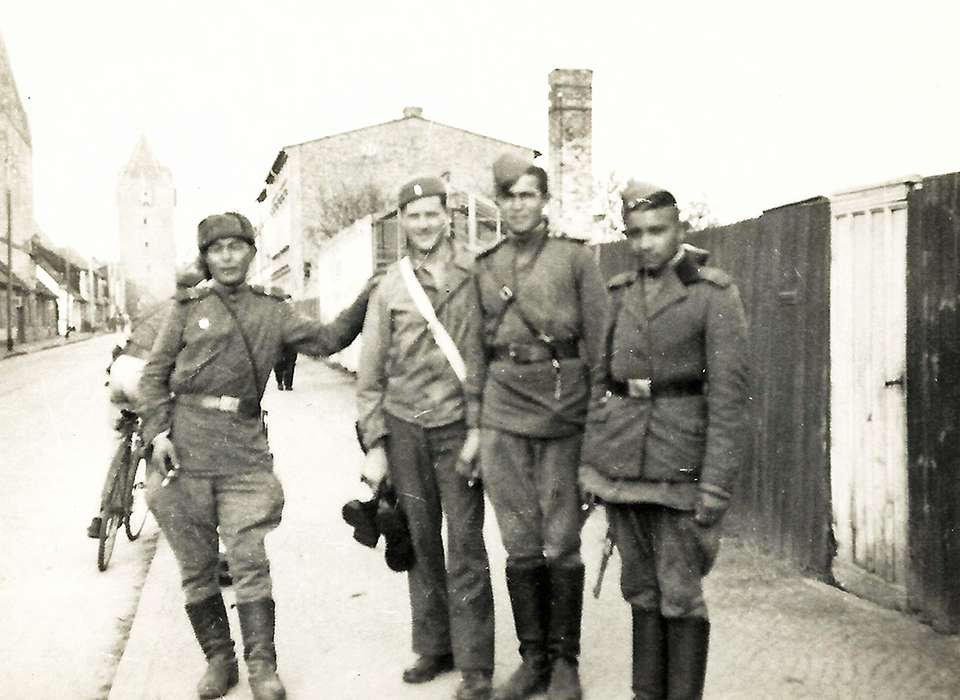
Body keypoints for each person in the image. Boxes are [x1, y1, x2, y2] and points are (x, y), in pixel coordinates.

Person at [138, 211, 374, 700]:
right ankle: (219, 662)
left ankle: (262, 667)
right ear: (205, 257)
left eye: (236, 247)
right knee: (197, 565)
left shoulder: (275, 310)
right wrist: (157, 434)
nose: (227, 256)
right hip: (183, 450)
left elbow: (330, 339)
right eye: (217, 249)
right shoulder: (185, 309)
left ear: (251, 252)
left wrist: (369, 293)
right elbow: (154, 377)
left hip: (243, 451)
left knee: (249, 558)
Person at [579, 184, 749, 700]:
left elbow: (730, 399)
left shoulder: (713, 294)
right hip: (623, 469)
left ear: (680, 230)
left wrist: (716, 486)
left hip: (681, 468)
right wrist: (590, 464)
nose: (646, 243)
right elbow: (598, 384)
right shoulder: (618, 293)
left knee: (680, 595)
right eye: (635, 233)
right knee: (641, 590)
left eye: (657, 231)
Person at [473, 154, 609, 700]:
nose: (519, 205)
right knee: (519, 539)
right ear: (498, 204)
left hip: (563, 410)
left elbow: (599, 348)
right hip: (504, 412)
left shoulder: (575, 260)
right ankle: (533, 661)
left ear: (544, 201)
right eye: (509, 196)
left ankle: (565, 663)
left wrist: (597, 427)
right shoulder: (485, 265)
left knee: (562, 539)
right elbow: (475, 351)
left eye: (528, 195)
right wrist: (476, 425)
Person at [357, 176, 495, 700]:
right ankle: (435, 644)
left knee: (466, 544)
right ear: (401, 222)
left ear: (448, 215)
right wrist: (375, 442)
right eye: (413, 216)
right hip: (405, 427)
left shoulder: (476, 270)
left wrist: (480, 428)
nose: (423, 225)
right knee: (418, 541)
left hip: (459, 425)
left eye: (432, 214)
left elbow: (486, 355)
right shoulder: (389, 286)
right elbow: (370, 372)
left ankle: (477, 662)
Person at [85, 261, 207, 539]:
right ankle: (165, 509)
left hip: (121, 369)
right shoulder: (186, 312)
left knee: (118, 437)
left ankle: (102, 513)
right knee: (159, 439)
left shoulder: (152, 309)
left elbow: (123, 345)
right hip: (144, 374)